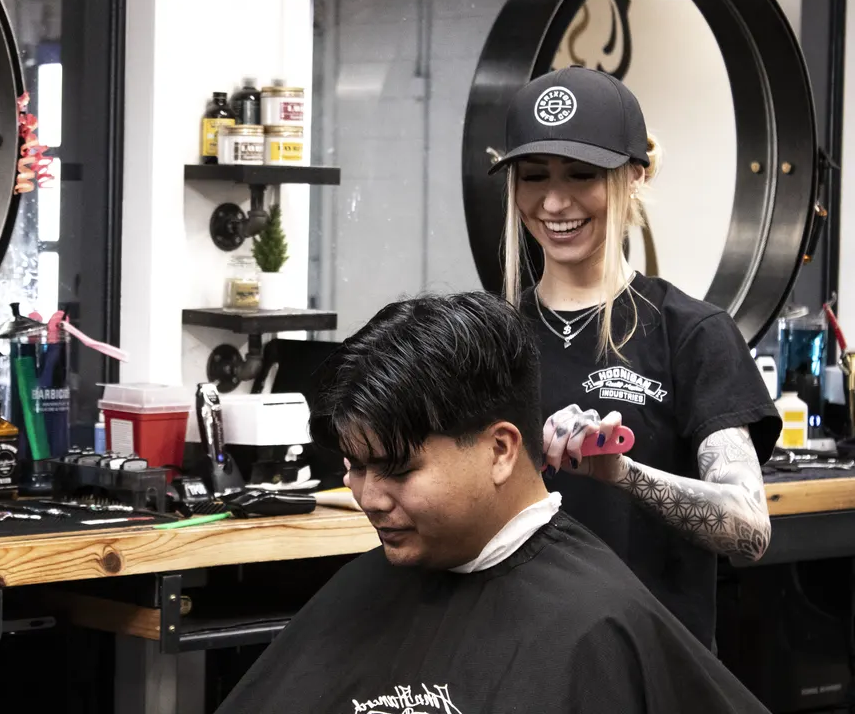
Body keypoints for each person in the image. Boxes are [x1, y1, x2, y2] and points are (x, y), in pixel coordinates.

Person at [216, 293, 769, 713]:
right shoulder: (369, 589)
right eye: (355, 468)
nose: (369, 497)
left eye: (398, 469)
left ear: (501, 450)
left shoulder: (592, 631)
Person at [488, 65, 781, 648]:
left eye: (582, 174)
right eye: (533, 176)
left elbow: (750, 527)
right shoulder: (490, 337)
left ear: (635, 177)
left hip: (651, 668)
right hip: (519, 662)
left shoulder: (692, 333)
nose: (553, 201)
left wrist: (622, 474)